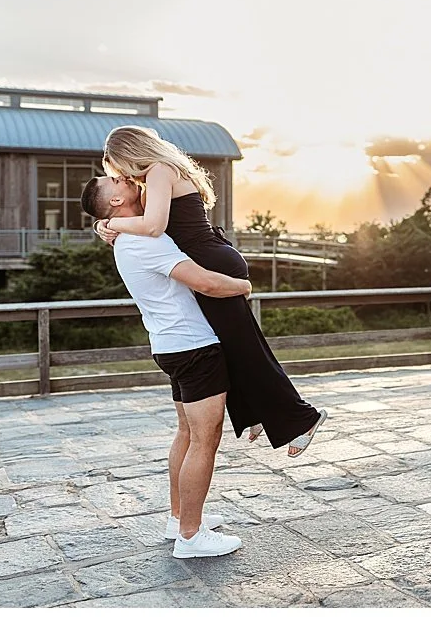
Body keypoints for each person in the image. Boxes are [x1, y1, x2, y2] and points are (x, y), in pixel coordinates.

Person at [93, 125, 327, 457]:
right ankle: (254, 412)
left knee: (246, 348)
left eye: (119, 169)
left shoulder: (159, 170)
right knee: (229, 346)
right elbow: (144, 223)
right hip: (207, 261)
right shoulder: (155, 177)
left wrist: (111, 223)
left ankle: (303, 419)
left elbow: (154, 226)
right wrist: (101, 223)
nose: (123, 177)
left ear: (131, 153)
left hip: (213, 264)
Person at [80, 174, 248, 559]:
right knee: (205, 438)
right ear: (115, 202)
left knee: (187, 433)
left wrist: (105, 225)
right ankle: (191, 536)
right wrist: (244, 286)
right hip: (193, 347)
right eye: (115, 181)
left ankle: (179, 518)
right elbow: (205, 283)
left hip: (171, 345)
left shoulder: (128, 237)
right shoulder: (145, 240)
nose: (124, 177)